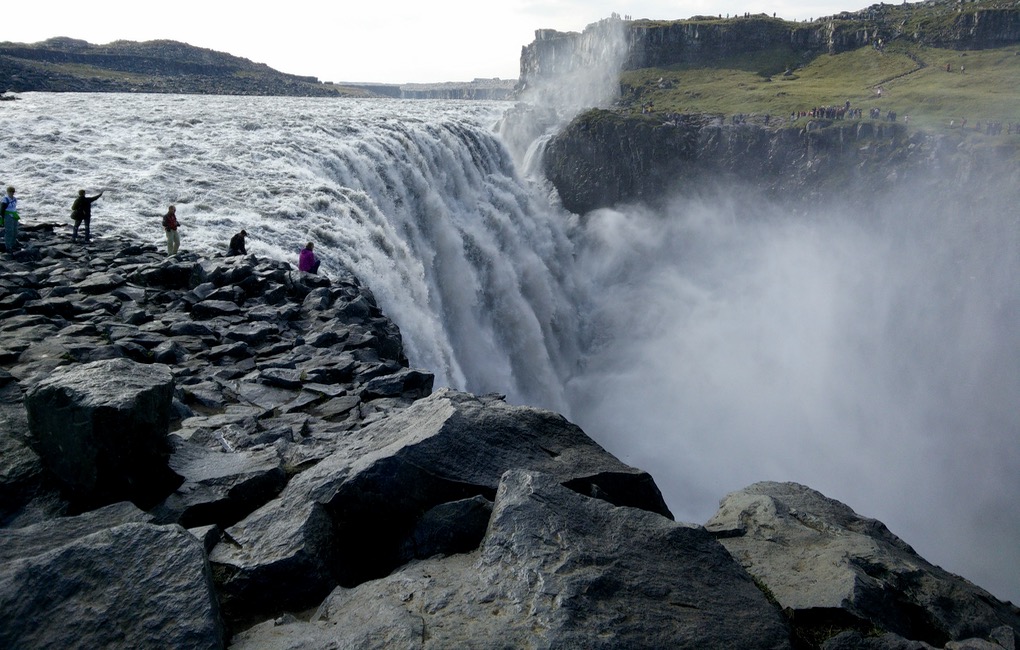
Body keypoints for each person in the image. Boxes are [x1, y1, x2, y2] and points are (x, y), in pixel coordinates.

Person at [0, 186, 19, 253]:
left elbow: (14, 207)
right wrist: (2, 218)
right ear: (8, 192)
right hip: (8, 216)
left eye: (13, 191)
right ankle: (8, 247)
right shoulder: (5, 199)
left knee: (15, 230)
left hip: (14, 215)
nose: (11, 193)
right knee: (9, 231)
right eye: (10, 191)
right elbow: (2, 209)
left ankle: (13, 245)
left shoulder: (14, 199)